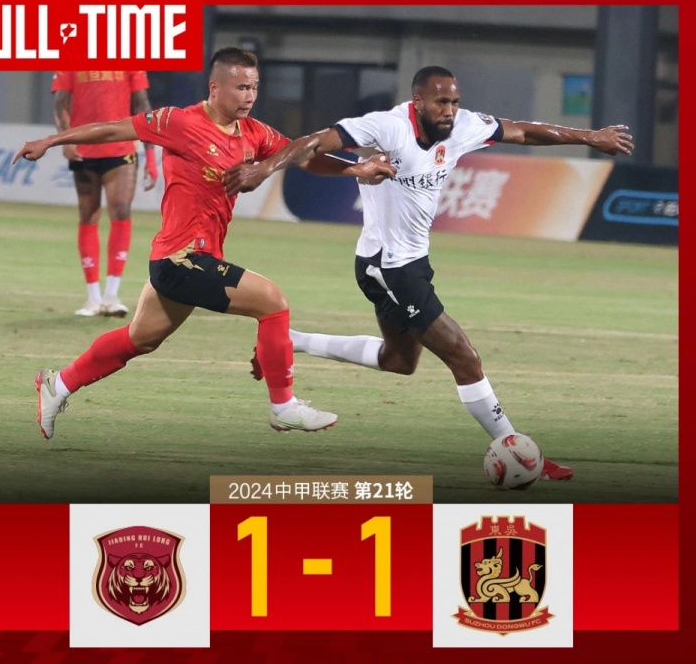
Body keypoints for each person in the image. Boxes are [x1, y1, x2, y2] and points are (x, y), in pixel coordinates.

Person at [224, 66, 636, 481]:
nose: (450, 110)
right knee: (464, 356)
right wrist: (264, 169)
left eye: (454, 102)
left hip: (411, 264)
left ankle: (291, 341)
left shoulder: (463, 126)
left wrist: (590, 137)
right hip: (389, 268)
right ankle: (520, 452)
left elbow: (524, 132)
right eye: (441, 102)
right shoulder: (387, 127)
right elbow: (312, 144)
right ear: (418, 102)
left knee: (399, 360)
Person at [14, 48, 395, 440]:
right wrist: (53, 140)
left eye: (254, 87)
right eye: (241, 87)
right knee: (273, 302)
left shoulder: (253, 133)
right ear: (215, 88)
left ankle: (57, 385)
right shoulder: (178, 122)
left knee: (139, 339)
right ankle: (284, 407)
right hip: (180, 258)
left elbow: (301, 156)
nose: (249, 96)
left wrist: (358, 168)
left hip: (195, 258)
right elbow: (113, 129)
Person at [52, 70, 159, 317]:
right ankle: (93, 298)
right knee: (88, 214)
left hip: (121, 148)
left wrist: (151, 156)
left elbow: (142, 105)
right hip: (84, 147)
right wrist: (66, 140)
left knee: (121, 210)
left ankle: (112, 296)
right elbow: (60, 104)